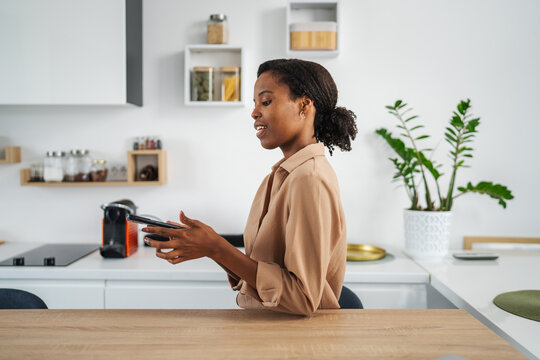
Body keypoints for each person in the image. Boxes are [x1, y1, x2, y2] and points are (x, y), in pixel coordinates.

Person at [143, 59, 357, 316]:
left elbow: (302, 298)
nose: (254, 113)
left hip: (299, 341)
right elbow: (263, 270)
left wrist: (217, 248)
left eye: (266, 102)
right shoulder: (280, 177)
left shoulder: (309, 179)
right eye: (255, 104)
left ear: (304, 106)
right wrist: (210, 247)